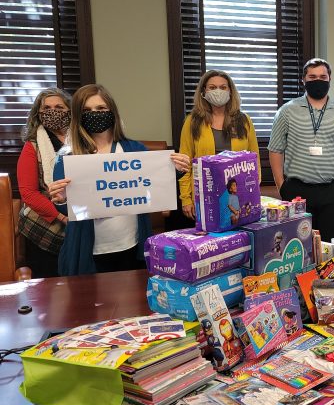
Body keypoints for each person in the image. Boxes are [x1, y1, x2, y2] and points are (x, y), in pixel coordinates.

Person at [47, 84, 190, 275]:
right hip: (90, 251)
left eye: (100, 109)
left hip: (132, 246)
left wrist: (176, 170)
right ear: (78, 116)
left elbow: (153, 185)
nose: (94, 114)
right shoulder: (67, 157)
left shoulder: (133, 149)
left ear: (111, 111)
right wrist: (62, 198)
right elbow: (66, 210)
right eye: (87, 110)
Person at [268, 58, 334, 240]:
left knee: (331, 243)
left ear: (329, 80)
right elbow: (276, 149)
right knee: (297, 244)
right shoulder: (286, 111)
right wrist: (281, 185)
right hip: (297, 191)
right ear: (303, 80)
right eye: (312, 76)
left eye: (322, 76)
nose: (317, 80)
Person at [178, 70, 260, 221]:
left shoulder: (244, 121)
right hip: (205, 194)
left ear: (230, 91)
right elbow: (185, 164)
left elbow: (255, 160)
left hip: (238, 194)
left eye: (223, 87)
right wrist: (186, 199)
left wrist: (253, 192)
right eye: (212, 87)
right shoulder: (192, 122)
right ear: (203, 92)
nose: (218, 91)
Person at [15, 88, 72, 278]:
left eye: (58, 107)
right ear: (38, 113)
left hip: (80, 221)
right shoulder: (32, 146)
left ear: (69, 110)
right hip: (44, 229)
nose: (52, 111)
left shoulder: (83, 140)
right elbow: (29, 193)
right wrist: (63, 217)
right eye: (46, 108)